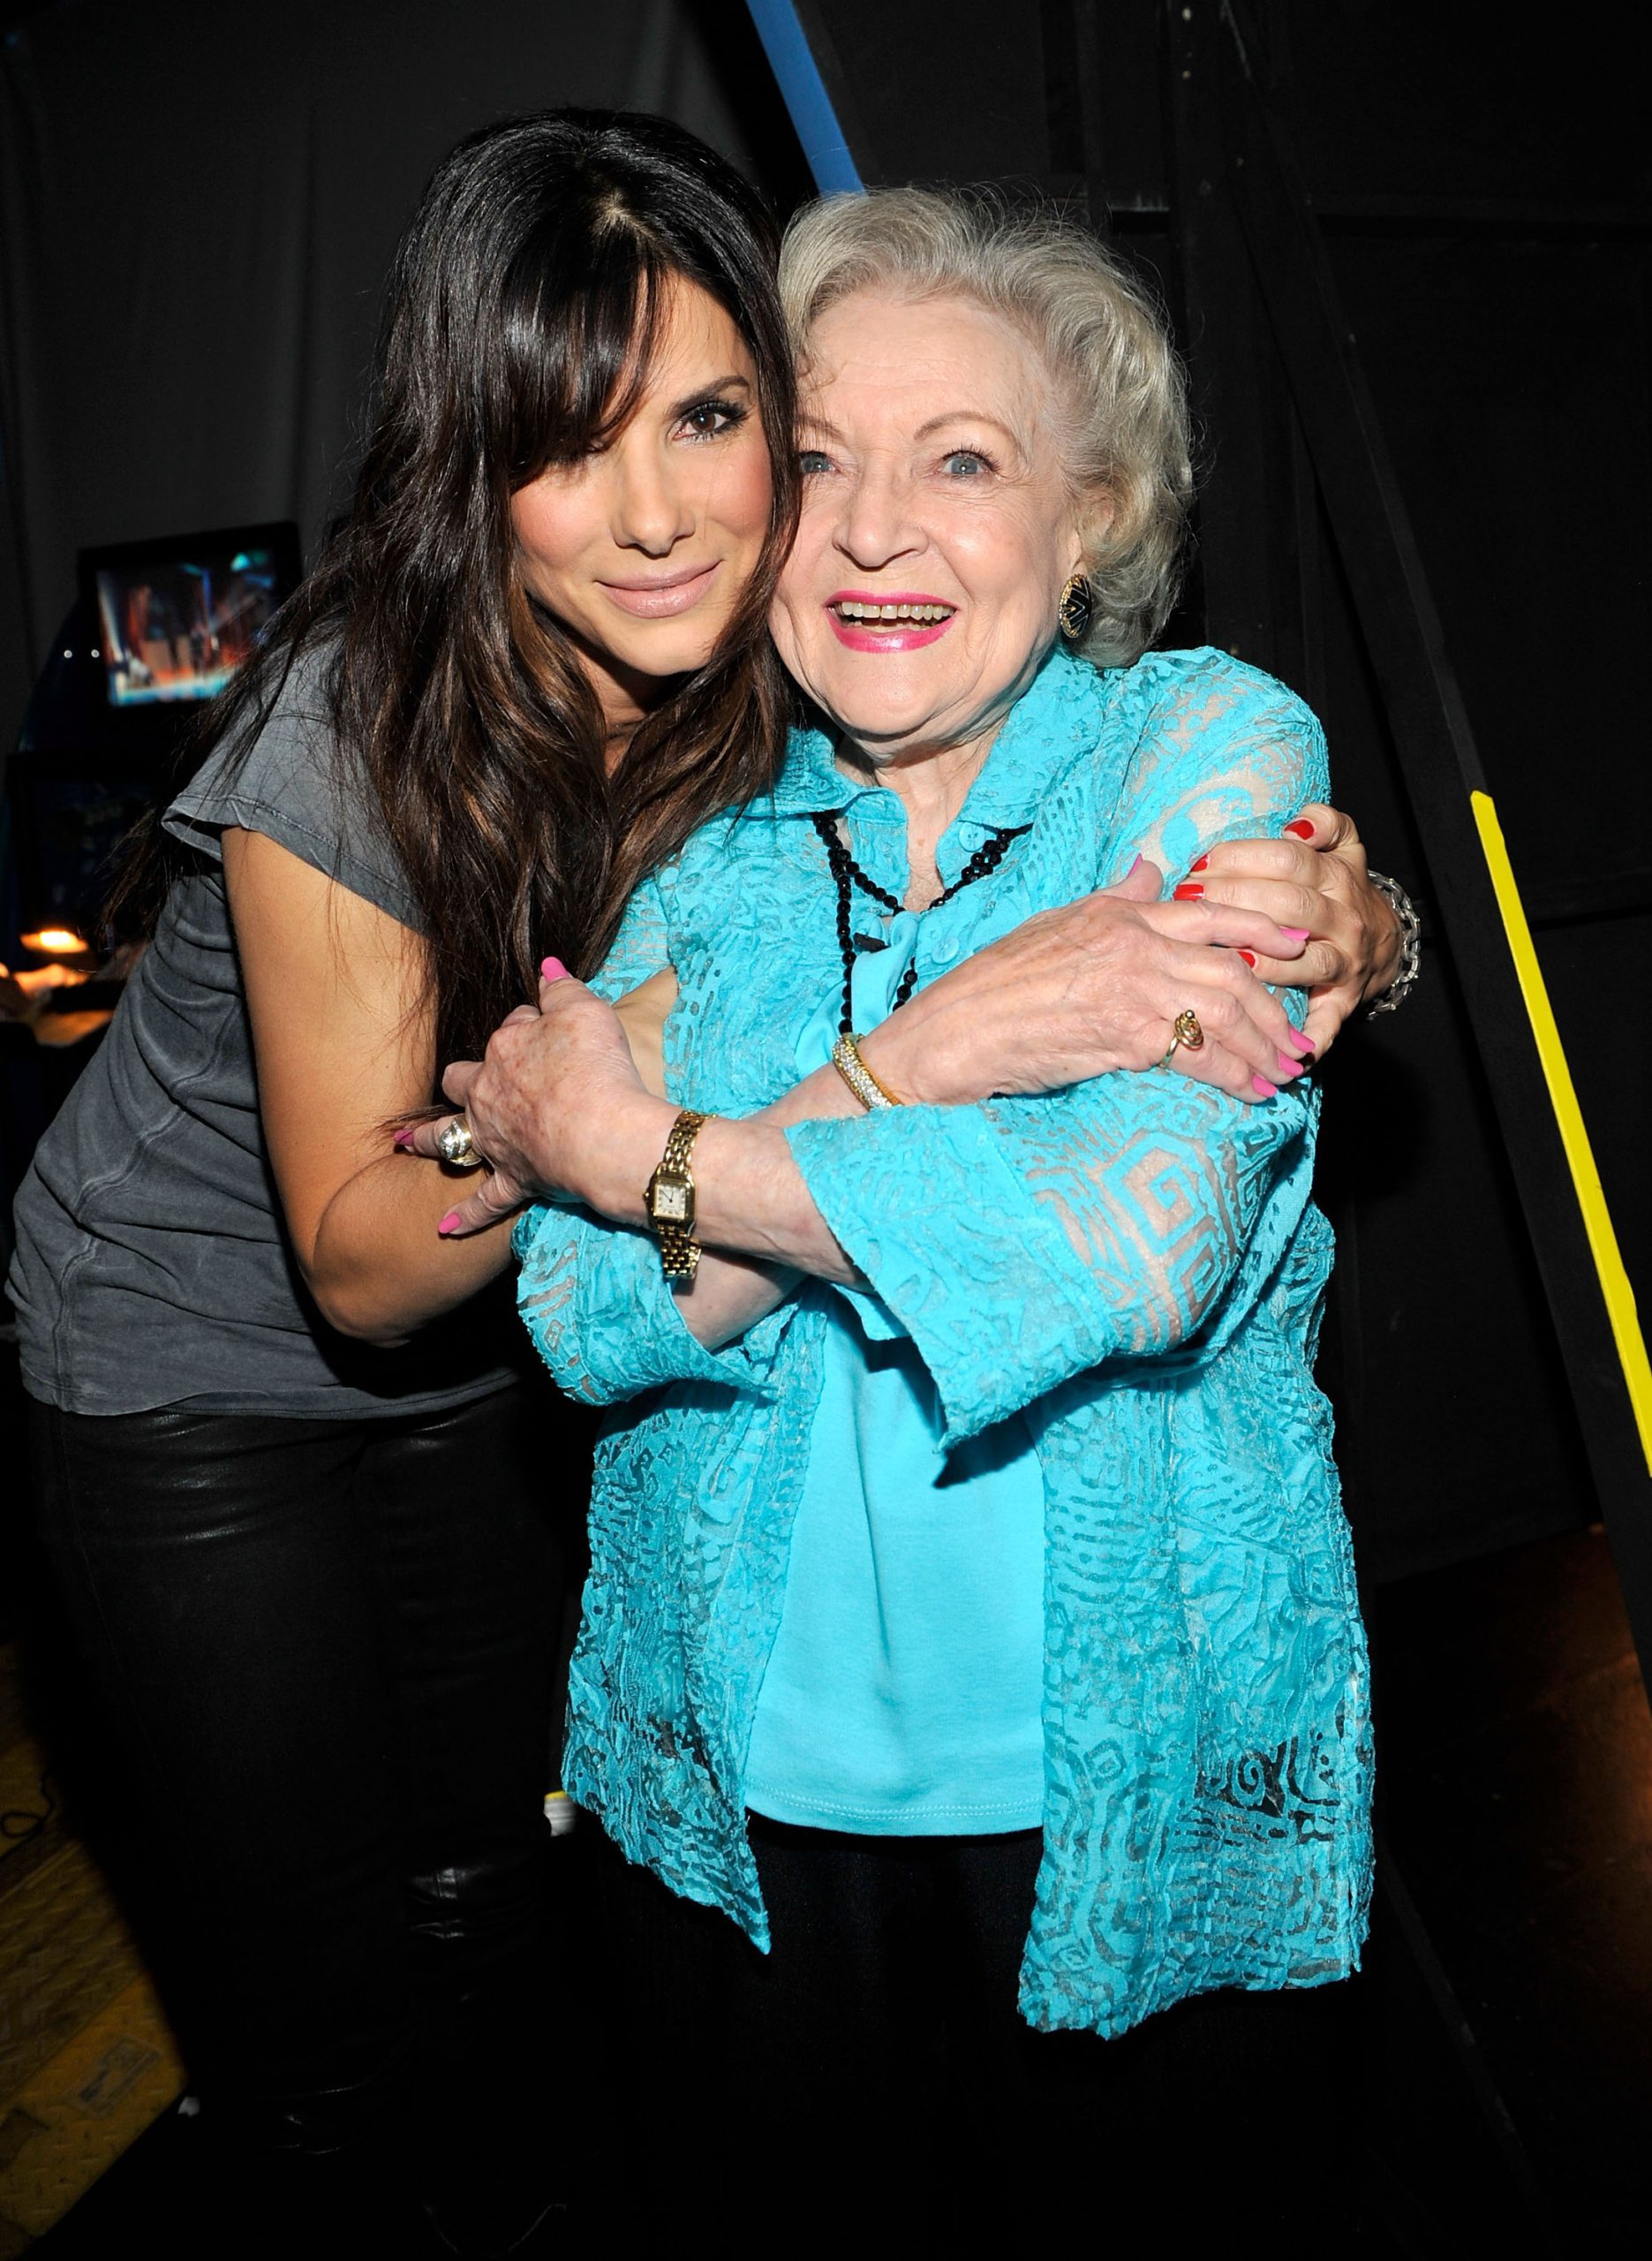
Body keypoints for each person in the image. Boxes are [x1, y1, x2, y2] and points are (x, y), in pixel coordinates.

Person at [11, 114, 1398, 2249]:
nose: (678, 510)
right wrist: (919, 1056)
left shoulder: (952, 699)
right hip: (217, 1333)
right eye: (573, 445)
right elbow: (442, 1281)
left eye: (723, 422)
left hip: (605, 1409)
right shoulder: (427, 734)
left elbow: (1130, 1206)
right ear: (478, 473)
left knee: (497, 1920)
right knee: (330, 1993)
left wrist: (1364, 925)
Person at [412, 185, 1383, 2221]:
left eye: (964, 462)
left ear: (1093, 516)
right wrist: (917, 1064)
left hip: (1119, 1789)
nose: (869, 532)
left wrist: (649, 1157)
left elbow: (1139, 1230)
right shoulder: (706, 867)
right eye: (825, 462)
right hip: (747, 1806)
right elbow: (584, 1318)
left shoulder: (1203, 749)